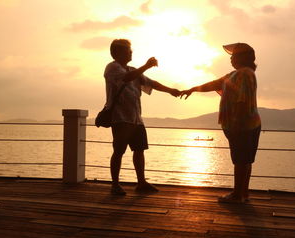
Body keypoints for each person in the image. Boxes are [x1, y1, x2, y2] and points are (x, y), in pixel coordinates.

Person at [180, 43, 261, 203]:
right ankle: (243, 193)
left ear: (243, 57)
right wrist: (193, 89)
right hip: (249, 122)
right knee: (245, 159)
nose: (231, 58)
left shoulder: (243, 74)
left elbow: (242, 100)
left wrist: (237, 122)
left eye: (234, 55)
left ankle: (237, 195)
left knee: (240, 159)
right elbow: (214, 84)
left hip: (242, 124)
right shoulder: (238, 74)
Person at [104, 39, 180, 195]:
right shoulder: (112, 68)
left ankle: (141, 182)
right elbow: (126, 78)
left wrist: (170, 90)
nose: (131, 52)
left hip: (136, 118)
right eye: (128, 50)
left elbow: (151, 83)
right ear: (117, 53)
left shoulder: (133, 69)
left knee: (139, 150)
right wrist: (146, 66)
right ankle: (115, 184)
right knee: (118, 151)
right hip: (121, 118)